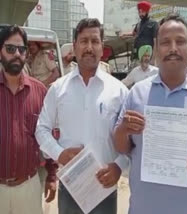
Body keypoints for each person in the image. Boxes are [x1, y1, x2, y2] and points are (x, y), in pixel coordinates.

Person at [113, 13, 187, 214]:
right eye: (166, 42)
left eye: (180, 41)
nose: (173, 48)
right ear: (156, 48)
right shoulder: (137, 93)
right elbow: (122, 146)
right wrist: (124, 129)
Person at [36, 18, 130, 214]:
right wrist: (59, 153)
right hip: (71, 188)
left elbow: (132, 139)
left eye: (95, 41)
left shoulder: (119, 91)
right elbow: (41, 129)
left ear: (102, 47)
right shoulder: (58, 89)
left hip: (105, 188)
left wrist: (119, 167)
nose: (89, 47)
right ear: (75, 46)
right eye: (84, 41)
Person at [0, 25, 57, 214]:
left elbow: (49, 135)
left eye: (21, 49)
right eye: (10, 49)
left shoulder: (40, 91)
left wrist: (51, 175)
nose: (17, 54)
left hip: (29, 185)